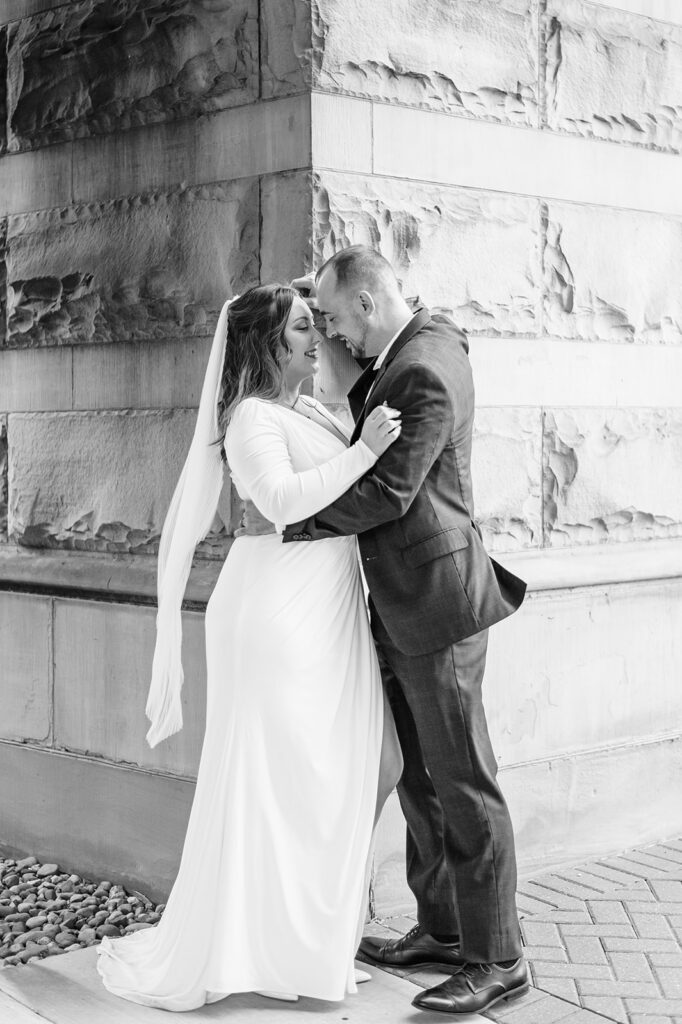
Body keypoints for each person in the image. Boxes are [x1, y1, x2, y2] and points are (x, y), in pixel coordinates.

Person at [96, 284, 404, 1010]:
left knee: (365, 765)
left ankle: (311, 938)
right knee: (282, 781)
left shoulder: (304, 407)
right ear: (268, 342)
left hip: (326, 608)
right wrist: (363, 451)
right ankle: (266, 948)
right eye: (302, 327)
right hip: (278, 612)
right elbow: (283, 502)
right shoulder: (249, 418)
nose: (316, 337)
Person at [244, 246, 529, 1015]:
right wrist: (313, 292)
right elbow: (357, 356)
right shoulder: (407, 348)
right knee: (419, 780)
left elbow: (393, 491)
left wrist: (295, 523)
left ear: (368, 305)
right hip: (404, 604)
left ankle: (498, 957)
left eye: (334, 319)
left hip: (439, 606)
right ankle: (440, 929)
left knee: (464, 783)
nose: (330, 335)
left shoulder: (424, 367)